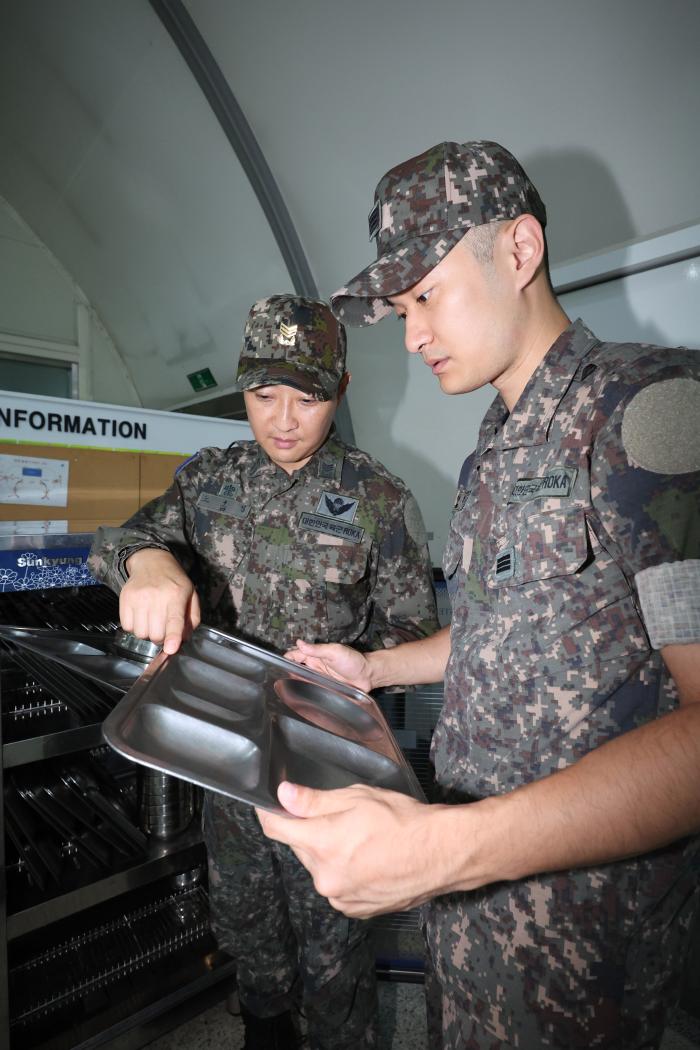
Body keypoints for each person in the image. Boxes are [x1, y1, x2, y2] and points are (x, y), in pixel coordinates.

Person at [255, 142, 700, 1049]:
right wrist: (370, 666)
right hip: (471, 933)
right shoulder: (492, 453)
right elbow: (506, 633)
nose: (412, 333)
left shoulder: (648, 412)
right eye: (400, 308)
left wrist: (444, 849)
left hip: (586, 954)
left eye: (425, 294)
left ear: (520, 249)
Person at [88, 294, 439, 1050]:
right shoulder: (209, 481)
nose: (282, 419)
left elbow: (414, 631)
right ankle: (266, 1027)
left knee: (335, 931)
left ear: (340, 391)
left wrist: (368, 671)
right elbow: (121, 536)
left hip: (328, 763)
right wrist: (145, 563)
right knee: (246, 912)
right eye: (263, 395)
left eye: (307, 398)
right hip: (223, 751)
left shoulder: (380, 500)